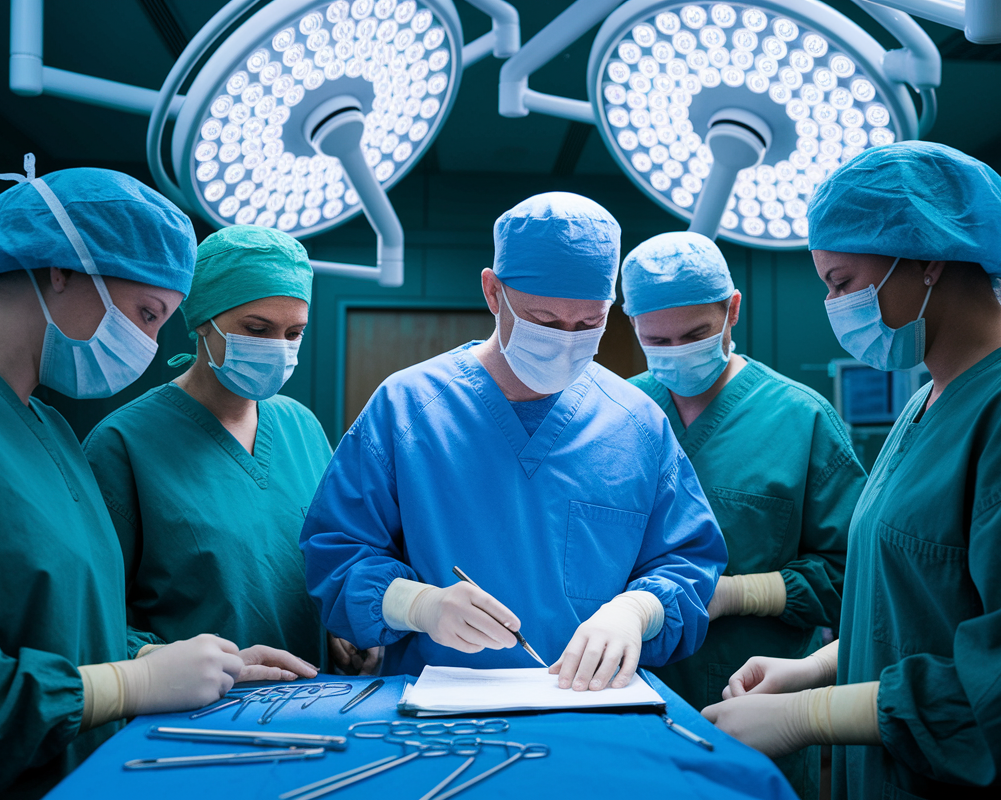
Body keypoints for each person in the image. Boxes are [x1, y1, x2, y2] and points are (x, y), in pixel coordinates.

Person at [706, 142, 1001, 800]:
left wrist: (808, 718)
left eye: (842, 282)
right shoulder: (927, 400)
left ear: (929, 257)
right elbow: (916, 606)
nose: (834, 305)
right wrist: (817, 670)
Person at [0, 159, 298, 797]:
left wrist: (162, 658)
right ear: (61, 271)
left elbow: (64, 617)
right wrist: (124, 686)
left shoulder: (49, 428)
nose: (151, 342)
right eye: (147, 313)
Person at [300, 192, 728, 691]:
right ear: (492, 292)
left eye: (589, 323)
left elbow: (687, 564)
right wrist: (418, 604)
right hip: (438, 716)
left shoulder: (636, 423)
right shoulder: (408, 408)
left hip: (592, 710)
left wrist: (638, 610)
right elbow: (338, 555)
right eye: (544, 321)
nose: (567, 340)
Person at [621, 231, 863, 799]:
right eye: (657, 340)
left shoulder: (801, 421)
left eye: (697, 334)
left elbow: (856, 579)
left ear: (732, 310)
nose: (677, 352)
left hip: (753, 710)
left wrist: (739, 593)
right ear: (630, 323)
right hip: (627, 705)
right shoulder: (616, 412)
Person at [84, 225, 376, 676]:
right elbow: (92, 618)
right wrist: (170, 664)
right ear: (204, 319)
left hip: (312, 702)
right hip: (191, 716)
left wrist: (342, 622)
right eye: (256, 329)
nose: (277, 348)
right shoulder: (124, 443)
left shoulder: (301, 426)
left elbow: (326, 558)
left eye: (294, 332)